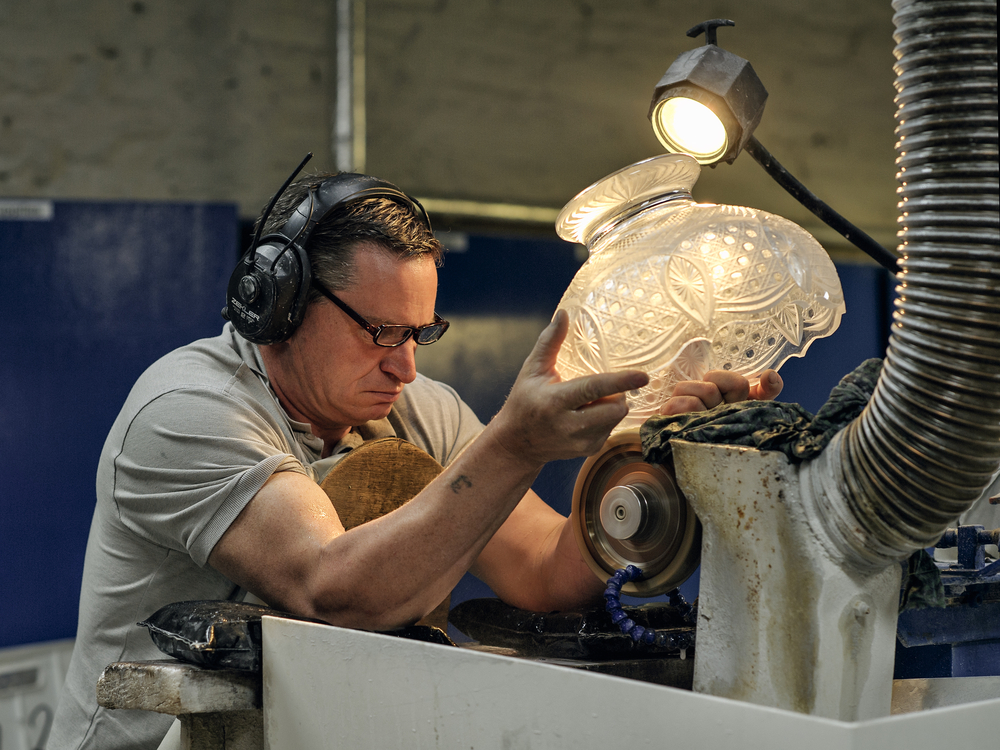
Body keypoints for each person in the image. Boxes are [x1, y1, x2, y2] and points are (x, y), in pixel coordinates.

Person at [50, 169, 782, 749]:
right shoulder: (187, 411)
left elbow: (546, 571)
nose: (403, 368)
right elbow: (332, 589)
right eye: (379, 332)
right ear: (279, 303)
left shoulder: (414, 410)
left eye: (419, 335)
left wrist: (649, 456)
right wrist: (516, 444)